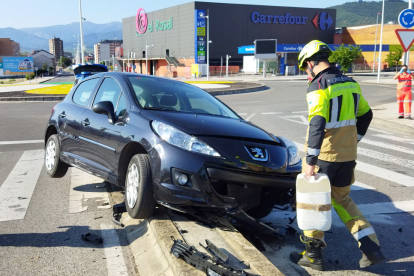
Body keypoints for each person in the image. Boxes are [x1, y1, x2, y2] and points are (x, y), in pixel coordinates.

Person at [289, 40, 386, 271]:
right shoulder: (351, 83)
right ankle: (371, 248)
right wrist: (356, 139)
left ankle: (313, 256)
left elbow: (317, 122)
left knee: (313, 203)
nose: (306, 72)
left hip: (324, 157)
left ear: (311, 63)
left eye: (305, 68)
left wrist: (310, 161)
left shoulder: (318, 85)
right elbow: (366, 115)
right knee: (342, 201)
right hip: (347, 156)